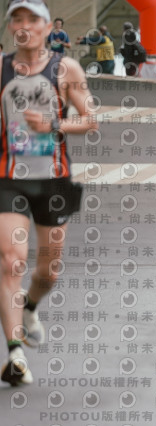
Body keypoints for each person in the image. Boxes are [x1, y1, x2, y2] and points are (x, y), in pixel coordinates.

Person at [0, 0, 98, 386]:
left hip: (54, 180)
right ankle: (15, 354)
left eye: (32, 19)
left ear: (46, 27)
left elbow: (90, 119)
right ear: (11, 27)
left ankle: (30, 306)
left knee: (48, 271)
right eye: (17, 19)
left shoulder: (66, 68)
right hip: (8, 177)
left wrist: (52, 123)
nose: (24, 25)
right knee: (11, 261)